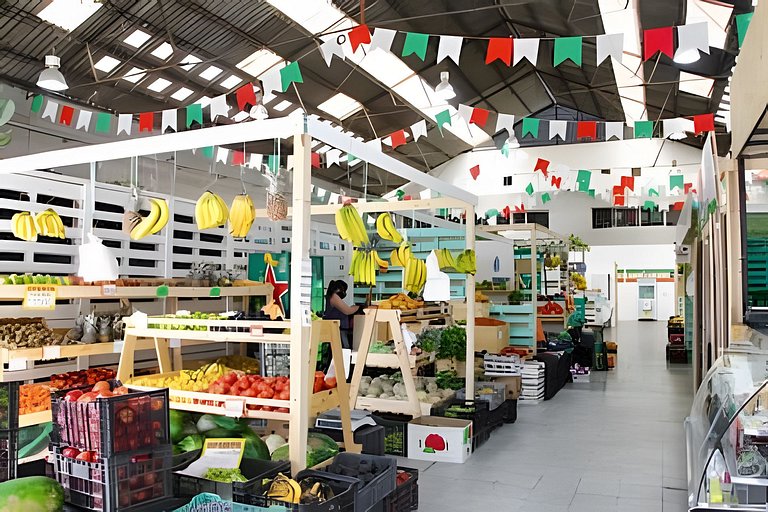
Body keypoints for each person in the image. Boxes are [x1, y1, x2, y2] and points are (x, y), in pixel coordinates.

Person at [323, 280, 363, 349]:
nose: (344, 293)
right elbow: (347, 311)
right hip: (338, 329)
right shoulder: (334, 296)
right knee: (343, 348)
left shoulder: (330, 296)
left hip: (338, 328)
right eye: (344, 290)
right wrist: (360, 307)